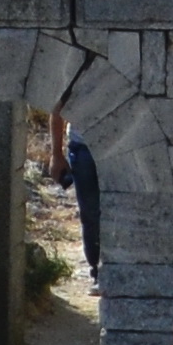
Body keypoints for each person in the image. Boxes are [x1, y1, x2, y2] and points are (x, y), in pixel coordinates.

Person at [48, 112, 101, 296]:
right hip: (83, 148)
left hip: (116, 147)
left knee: (111, 212)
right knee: (91, 213)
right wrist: (56, 155)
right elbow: (57, 109)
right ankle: (98, 272)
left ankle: (109, 270)